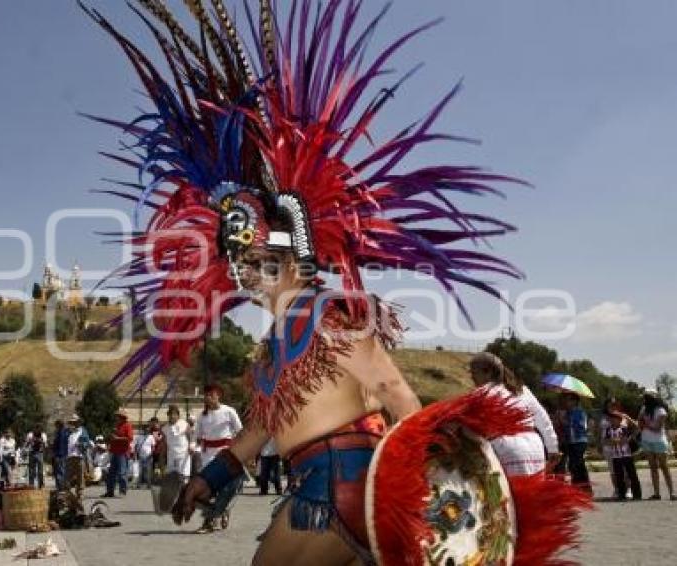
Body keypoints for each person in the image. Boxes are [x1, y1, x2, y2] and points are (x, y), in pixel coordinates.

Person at [81, 1, 589, 562]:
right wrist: (209, 478)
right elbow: (258, 431)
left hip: (345, 493)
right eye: (238, 261)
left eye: (254, 254)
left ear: (292, 254)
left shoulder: (330, 316)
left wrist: (427, 488)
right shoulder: (274, 346)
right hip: (315, 491)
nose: (245, 271)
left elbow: (394, 390)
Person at [468, 352, 560, 476]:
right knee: (532, 493)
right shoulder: (521, 390)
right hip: (535, 451)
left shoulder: (482, 393)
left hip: (508, 451)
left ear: (488, 372)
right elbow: (543, 419)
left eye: (474, 372)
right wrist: (553, 448)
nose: (472, 377)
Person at [193, 384, 243, 533]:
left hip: (225, 455)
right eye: (206, 395)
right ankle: (216, 515)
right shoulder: (202, 416)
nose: (208, 398)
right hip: (207, 456)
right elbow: (197, 437)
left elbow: (240, 432)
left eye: (211, 395)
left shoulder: (229, 411)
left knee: (223, 489)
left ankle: (212, 519)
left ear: (218, 395)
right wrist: (194, 447)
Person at [638, 389, 674, 500]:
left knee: (664, 466)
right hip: (646, 440)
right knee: (653, 467)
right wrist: (642, 422)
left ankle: (672, 492)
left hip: (659, 440)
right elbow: (639, 421)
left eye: (647, 397)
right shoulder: (644, 409)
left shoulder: (661, 410)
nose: (645, 399)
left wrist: (646, 424)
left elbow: (657, 428)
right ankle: (656, 493)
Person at [602, 410, 642, 501]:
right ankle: (621, 494)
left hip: (626, 455)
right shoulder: (608, 430)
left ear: (619, 420)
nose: (613, 420)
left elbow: (630, 435)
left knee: (632, 474)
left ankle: (637, 494)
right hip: (615, 456)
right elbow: (605, 441)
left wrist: (627, 439)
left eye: (615, 419)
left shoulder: (623, 428)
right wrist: (612, 441)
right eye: (612, 419)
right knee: (619, 475)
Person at [561, 393, 592, 493]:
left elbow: (581, 426)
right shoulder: (567, 412)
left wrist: (567, 422)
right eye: (565, 400)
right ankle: (577, 486)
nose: (566, 402)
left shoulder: (580, 412)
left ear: (574, 401)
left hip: (579, 441)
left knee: (578, 464)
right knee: (572, 465)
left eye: (569, 400)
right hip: (570, 442)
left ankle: (585, 487)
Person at [600, 396, 630, 498]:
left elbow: (635, 427)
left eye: (614, 404)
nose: (612, 406)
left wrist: (628, 439)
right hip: (608, 447)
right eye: (610, 404)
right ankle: (617, 490)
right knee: (613, 471)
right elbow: (598, 432)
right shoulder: (603, 418)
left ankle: (628, 489)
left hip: (623, 448)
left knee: (624, 470)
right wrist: (599, 445)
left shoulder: (623, 416)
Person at [105, 409, 133, 497]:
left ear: (122, 417)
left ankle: (122, 491)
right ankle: (110, 491)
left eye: (118, 416)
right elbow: (113, 437)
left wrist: (117, 438)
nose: (116, 418)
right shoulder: (116, 426)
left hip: (123, 452)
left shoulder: (127, 425)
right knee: (111, 473)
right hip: (114, 452)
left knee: (122, 473)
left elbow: (130, 438)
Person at [161, 405, 193, 480]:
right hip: (171, 456)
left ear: (178, 415)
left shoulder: (184, 424)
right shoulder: (165, 428)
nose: (172, 416)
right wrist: (162, 456)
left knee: (183, 477)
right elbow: (164, 444)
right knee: (172, 477)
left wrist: (191, 446)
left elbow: (190, 437)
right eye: (170, 414)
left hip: (183, 455)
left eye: (174, 414)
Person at [24, 423, 48, 489]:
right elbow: (26, 444)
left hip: (40, 453)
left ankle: (40, 484)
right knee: (31, 470)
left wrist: (42, 442)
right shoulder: (30, 434)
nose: (37, 430)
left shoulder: (43, 435)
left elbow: (46, 445)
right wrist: (30, 442)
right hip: (32, 452)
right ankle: (31, 485)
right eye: (36, 428)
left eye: (39, 428)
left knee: (40, 471)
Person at [136, 424, 157, 489]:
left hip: (148, 456)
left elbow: (153, 447)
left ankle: (149, 485)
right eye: (145, 429)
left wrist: (151, 454)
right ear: (143, 430)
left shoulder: (151, 437)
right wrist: (136, 454)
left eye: (148, 429)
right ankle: (139, 484)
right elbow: (136, 446)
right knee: (140, 471)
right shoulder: (139, 437)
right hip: (141, 456)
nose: (146, 430)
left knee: (148, 471)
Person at [51, 420, 68, 490]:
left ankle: (60, 487)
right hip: (62, 454)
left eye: (56, 425)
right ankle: (61, 486)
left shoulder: (61, 433)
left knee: (59, 472)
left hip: (59, 455)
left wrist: (55, 455)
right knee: (61, 471)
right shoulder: (64, 432)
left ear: (58, 425)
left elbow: (60, 445)